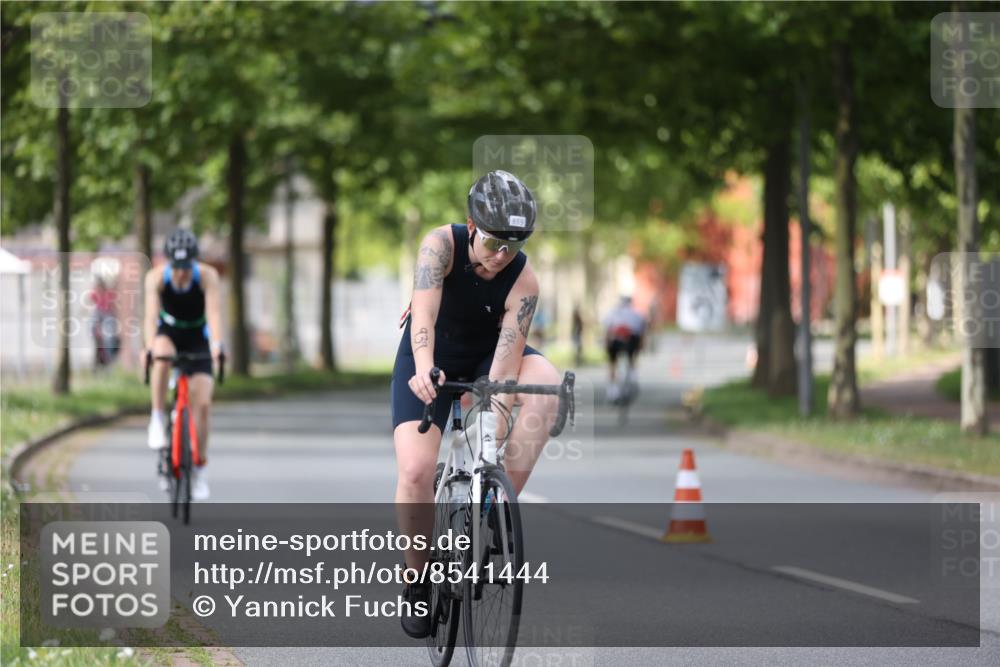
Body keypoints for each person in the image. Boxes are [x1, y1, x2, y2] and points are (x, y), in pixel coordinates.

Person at [391, 170, 561, 639]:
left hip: (488, 357)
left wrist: (493, 428)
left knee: (545, 382)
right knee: (415, 472)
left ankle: (490, 507)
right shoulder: (439, 246)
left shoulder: (524, 280)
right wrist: (425, 367)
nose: (501, 255)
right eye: (492, 243)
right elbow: (422, 314)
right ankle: (418, 580)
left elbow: (506, 366)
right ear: (470, 225)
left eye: (514, 244)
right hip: (430, 352)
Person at [143, 229, 225, 501]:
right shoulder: (156, 278)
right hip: (170, 332)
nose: (181, 273)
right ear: (168, 264)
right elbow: (150, 318)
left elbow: (213, 312)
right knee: (161, 353)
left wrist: (216, 345)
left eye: (186, 266)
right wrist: (149, 346)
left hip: (197, 337)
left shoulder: (207, 277)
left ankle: (200, 466)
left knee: (202, 404)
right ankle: (156, 417)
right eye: (176, 267)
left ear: (193, 262)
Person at [604, 295, 645, 402]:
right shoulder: (636, 314)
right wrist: (641, 344)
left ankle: (613, 390)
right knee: (632, 358)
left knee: (612, 364)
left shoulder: (613, 313)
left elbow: (608, 329)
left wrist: (607, 343)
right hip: (630, 340)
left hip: (615, 340)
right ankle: (632, 377)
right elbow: (640, 330)